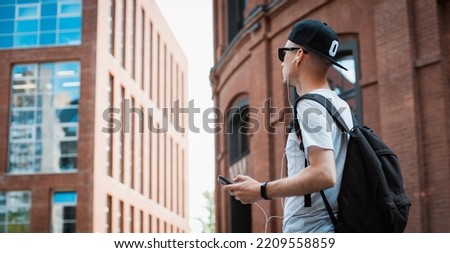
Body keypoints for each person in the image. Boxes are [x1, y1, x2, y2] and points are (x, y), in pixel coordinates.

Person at [223, 19, 354, 233]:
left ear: (299, 55)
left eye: (284, 53)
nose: (282, 62)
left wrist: (261, 190)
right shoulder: (340, 106)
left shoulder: (309, 105)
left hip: (310, 230)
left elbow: (324, 173)